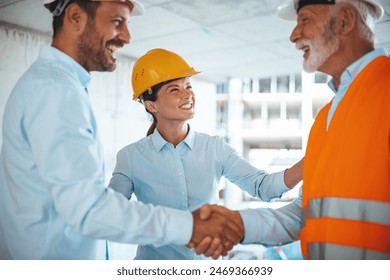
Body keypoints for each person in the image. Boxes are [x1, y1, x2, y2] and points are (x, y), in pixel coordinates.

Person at [0, 0, 243, 260]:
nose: (126, 36)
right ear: (75, 17)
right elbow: (89, 208)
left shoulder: (57, 85)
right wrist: (191, 226)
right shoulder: (55, 91)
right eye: (118, 22)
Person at [192, 0, 390, 260]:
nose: (294, 35)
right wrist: (239, 224)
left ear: (345, 20)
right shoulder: (326, 118)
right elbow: (305, 213)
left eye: (305, 20)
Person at [107, 48, 303, 260]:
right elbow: (110, 214)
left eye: (188, 86)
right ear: (151, 104)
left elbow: (263, 187)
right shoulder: (131, 157)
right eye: (174, 89)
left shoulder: (214, 148)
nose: (187, 94)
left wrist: (310, 164)